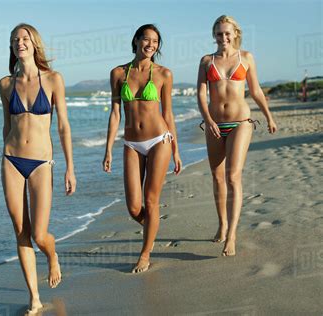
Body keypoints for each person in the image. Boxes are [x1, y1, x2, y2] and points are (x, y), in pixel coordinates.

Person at [0, 23, 76, 313]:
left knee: (40, 235)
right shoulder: (5, 84)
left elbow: (64, 127)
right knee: (21, 230)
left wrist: (70, 167)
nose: (20, 42)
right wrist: (3, 155)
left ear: (34, 43)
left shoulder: (54, 79)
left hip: (42, 162)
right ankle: (34, 297)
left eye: (25, 38)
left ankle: (52, 254)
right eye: (15, 39)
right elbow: (7, 126)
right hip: (11, 160)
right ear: (12, 46)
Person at [103, 24, 182, 273]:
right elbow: (115, 113)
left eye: (156, 41)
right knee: (134, 207)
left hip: (160, 140)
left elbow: (168, 114)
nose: (151, 45)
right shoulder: (118, 73)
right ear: (136, 40)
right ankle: (152, 227)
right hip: (131, 143)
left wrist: (176, 150)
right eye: (146, 39)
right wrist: (108, 149)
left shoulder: (163, 74)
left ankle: (145, 253)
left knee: (151, 199)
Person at [197, 15, 277, 256]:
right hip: (214, 125)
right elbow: (201, 94)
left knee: (233, 176)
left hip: (241, 122)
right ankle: (222, 224)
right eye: (220, 34)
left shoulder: (246, 58)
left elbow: (255, 90)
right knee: (217, 176)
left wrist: (269, 116)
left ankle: (231, 236)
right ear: (214, 35)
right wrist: (209, 120)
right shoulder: (206, 61)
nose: (224, 38)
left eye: (227, 33)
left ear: (235, 34)